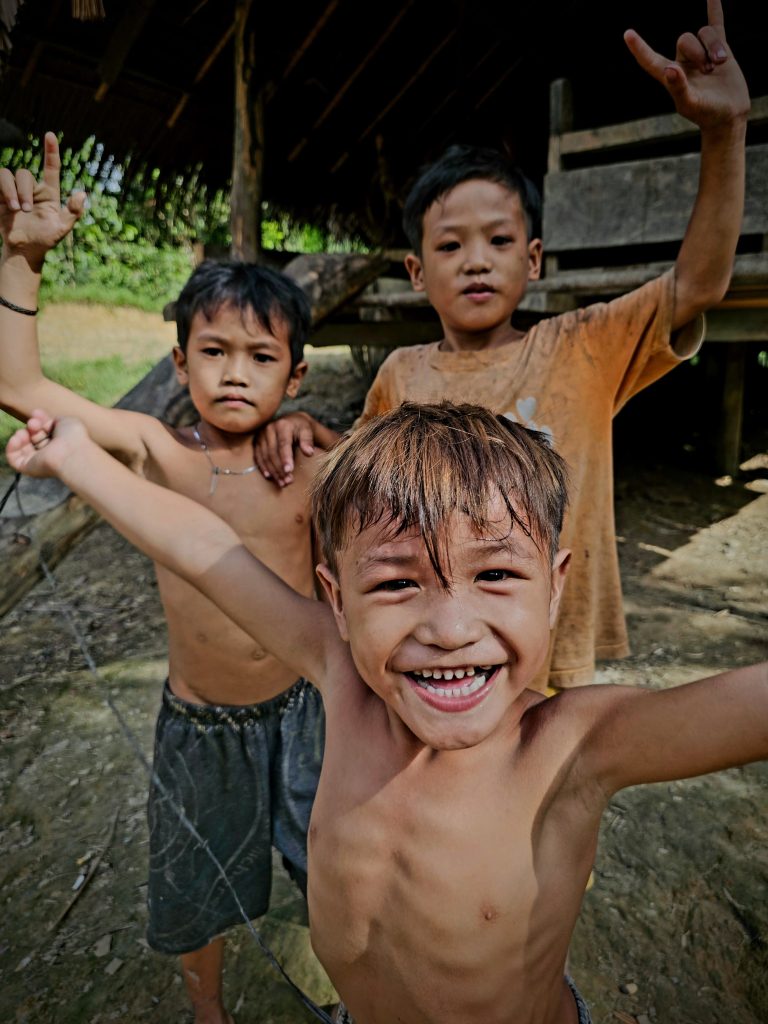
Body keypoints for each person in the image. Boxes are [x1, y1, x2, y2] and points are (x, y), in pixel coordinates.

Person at [7, 400, 767, 1024]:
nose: (449, 628)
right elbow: (205, 548)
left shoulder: (575, 745)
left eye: (496, 573)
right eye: (398, 584)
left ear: (556, 587)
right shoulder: (340, 675)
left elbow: (744, 706)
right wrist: (76, 458)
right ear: (335, 601)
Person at [254, 0, 750, 693]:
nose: (476, 261)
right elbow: (372, 480)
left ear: (535, 259)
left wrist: (725, 132)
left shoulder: (585, 345)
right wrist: (312, 431)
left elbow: (700, 282)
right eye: (451, 246)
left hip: (554, 644)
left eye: (500, 240)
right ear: (417, 273)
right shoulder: (403, 373)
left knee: (548, 789)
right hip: (443, 646)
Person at [0, 144, 326, 1024]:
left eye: (260, 358)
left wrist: (314, 430)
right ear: (178, 365)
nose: (233, 372)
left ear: (295, 376)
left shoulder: (311, 464)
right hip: (200, 724)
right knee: (196, 881)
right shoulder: (158, 451)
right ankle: (207, 1012)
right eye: (211, 351)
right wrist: (23, 263)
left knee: (336, 861)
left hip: (306, 709)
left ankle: (359, 987)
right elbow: (19, 384)